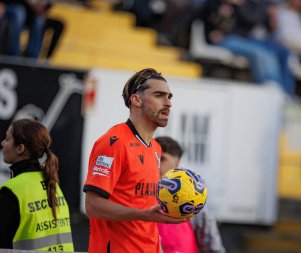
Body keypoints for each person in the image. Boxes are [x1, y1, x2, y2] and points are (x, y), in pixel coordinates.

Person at [83, 68, 186, 253]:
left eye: (169, 96)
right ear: (136, 100)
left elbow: (146, 208)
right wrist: (144, 215)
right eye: (159, 95)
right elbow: (92, 206)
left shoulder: (155, 147)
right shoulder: (113, 142)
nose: (168, 103)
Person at [0, 118, 74, 251]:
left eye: (7, 139)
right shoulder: (52, 184)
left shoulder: (12, 190)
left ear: (20, 148)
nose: (2, 143)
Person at [156, 136, 226, 253]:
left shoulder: (193, 204)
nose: (156, 165)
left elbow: (213, 249)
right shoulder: (140, 199)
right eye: (154, 159)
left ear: (177, 163)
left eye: (162, 159)